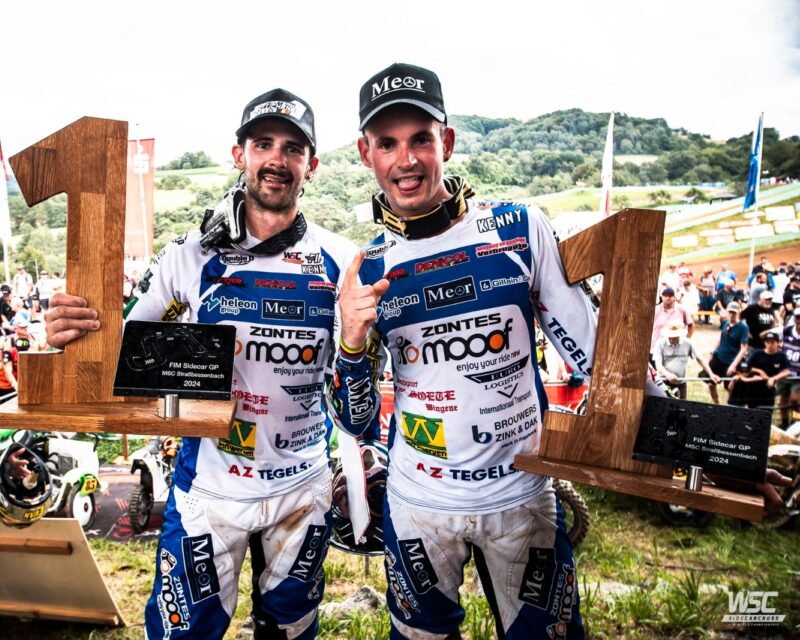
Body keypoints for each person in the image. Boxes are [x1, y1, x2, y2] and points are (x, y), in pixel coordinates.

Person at [328, 63, 788, 640]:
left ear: (447, 141)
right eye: (388, 144)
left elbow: (602, 359)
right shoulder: (368, 268)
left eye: (421, 138)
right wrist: (351, 343)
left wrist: (716, 453)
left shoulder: (518, 229)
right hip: (419, 503)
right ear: (365, 153)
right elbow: (354, 421)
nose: (407, 160)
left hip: (522, 493)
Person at [46, 88, 358, 639]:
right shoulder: (188, 255)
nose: (277, 159)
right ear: (239, 155)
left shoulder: (341, 258)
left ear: (311, 165)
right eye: (263, 144)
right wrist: (68, 332)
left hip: (301, 485)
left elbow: (357, 372)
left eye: (293, 148)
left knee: (290, 632)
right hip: (210, 487)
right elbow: (122, 350)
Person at [652, 323, 719, 399]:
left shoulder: (687, 343)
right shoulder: (660, 344)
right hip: (663, 381)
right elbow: (658, 364)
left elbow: (699, 359)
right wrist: (668, 374)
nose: (672, 339)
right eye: (670, 336)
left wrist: (711, 374)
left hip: (680, 382)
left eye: (675, 337)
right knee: (663, 404)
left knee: (682, 405)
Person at [704, 303, 750, 404]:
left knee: (730, 387)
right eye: (730, 312)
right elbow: (720, 338)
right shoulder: (725, 323)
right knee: (711, 384)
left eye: (734, 313)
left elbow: (744, 349)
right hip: (719, 357)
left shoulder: (743, 328)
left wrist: (733, 365)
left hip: (731, 360)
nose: (731, 315)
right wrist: (712, 352)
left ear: (738, 313)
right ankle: (717, 404)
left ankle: (726, 407)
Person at [650, 287, 694, 352]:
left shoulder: (681, 309)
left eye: (670, 296)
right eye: (665, 296)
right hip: (657, 348)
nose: (667, 298)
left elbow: (691, 325)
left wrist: (687, 340)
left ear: (674, 298)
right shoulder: (655, 310)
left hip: (676, 349)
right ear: (662, 297)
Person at [741, 290, 779, 355]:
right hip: (753, 342)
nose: (769, 301)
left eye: (770, 300)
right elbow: (740, 318)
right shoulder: (752, 308)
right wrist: (746, 331)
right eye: (766, 299)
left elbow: (773, 321)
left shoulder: (770, 309)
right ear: (761, 299)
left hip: (765, 342)